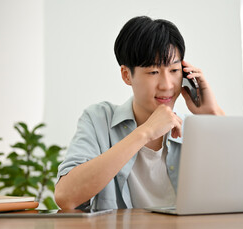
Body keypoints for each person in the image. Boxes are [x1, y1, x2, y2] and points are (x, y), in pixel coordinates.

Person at [54, 16, 224, 210]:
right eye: (153, 72)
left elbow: (241, 183)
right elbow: (66, 197)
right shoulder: (98, 119)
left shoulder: (194, 129)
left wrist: (212, 113)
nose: (167, 85)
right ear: (127, 75)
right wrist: (145, 133)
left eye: (175, 70)